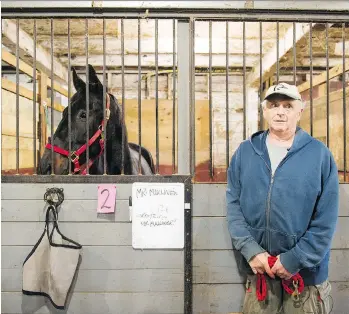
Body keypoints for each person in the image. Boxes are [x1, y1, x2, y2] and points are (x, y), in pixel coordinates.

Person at [226, 82, 339, 314]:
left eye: (288, 106)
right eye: (274, 105)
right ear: (264, 110)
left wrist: (294, 259)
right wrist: (252, 250)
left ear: (300, 110)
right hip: (259, 273)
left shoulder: (319, 155)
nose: (280, 111)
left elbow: (325, 220)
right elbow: (234, 206)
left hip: (305, 279)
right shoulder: (245, 152)